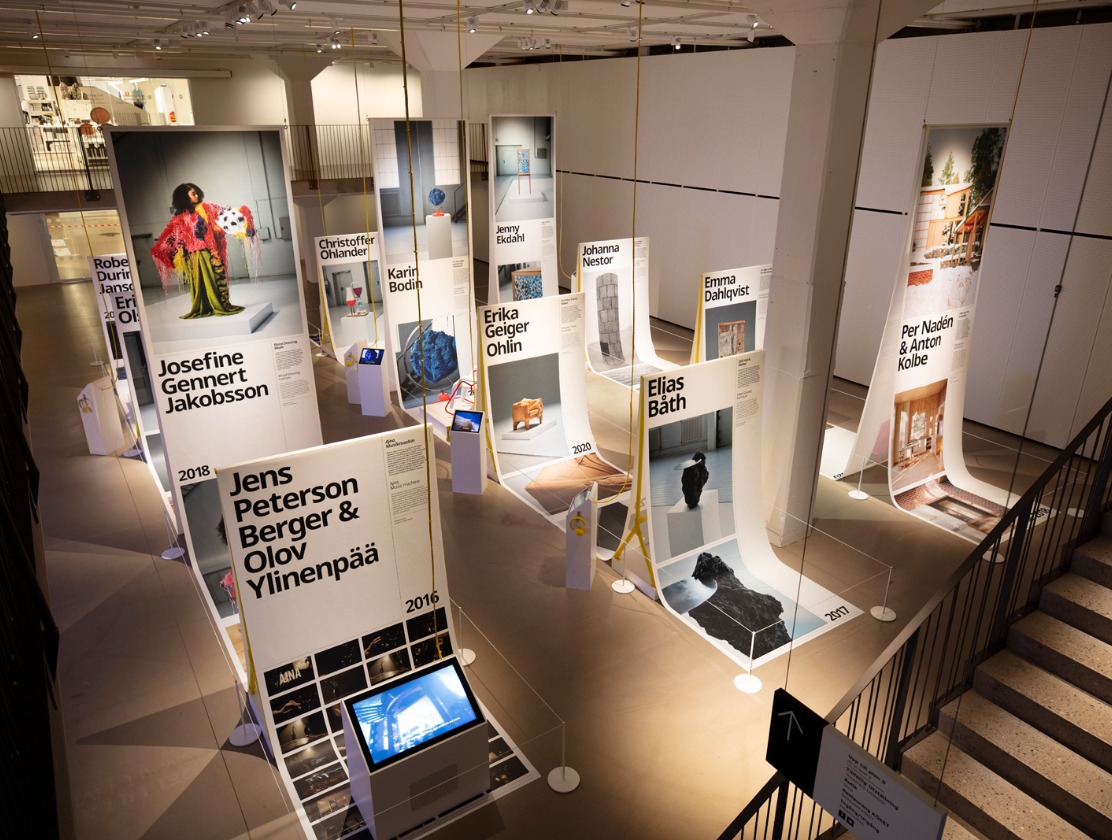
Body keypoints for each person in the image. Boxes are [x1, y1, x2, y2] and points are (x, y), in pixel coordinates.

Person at [150, 182, 257, 319]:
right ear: (184, 197)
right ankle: (203, 307)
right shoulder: (179, 217)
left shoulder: (205, 207)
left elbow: (223, 215)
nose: (196, 195)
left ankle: (218, 304)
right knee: (197, 283)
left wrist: (243, 215)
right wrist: (161, 250)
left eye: (196, 193)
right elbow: (173, 235)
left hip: (206, 252)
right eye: (192, 194)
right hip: (191, 255)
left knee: (211, 279)